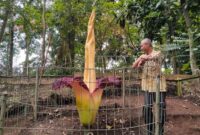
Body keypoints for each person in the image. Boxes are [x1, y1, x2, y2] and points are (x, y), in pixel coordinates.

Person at [132, 38, 166, 135]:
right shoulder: (142, 56)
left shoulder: (158, 53)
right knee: (147, 107)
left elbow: (156, 57)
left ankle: (160, 130)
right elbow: (133, 66)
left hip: (159, 85)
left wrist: (145, 59)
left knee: (161, 107)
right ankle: (150, 130)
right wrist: (140, 62)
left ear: (147, 45)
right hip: (147, 86)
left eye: (142, 45)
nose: (141, 47)